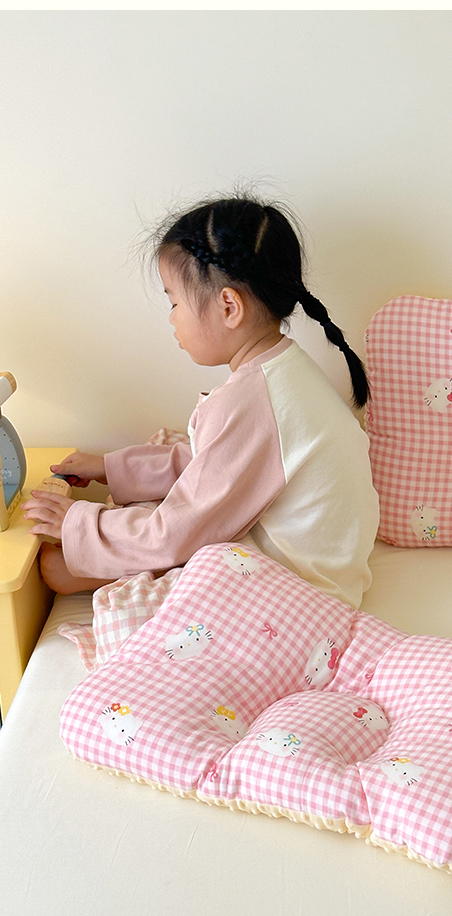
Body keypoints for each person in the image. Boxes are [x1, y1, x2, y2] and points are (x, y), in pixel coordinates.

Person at [22, 195, 380, 608]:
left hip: (300, 592)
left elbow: (180, 529)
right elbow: (213, 465)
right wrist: (110, 467)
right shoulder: (285, 371)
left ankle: (100, 566)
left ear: (229, 306)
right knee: (127, 531)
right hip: (322, 568)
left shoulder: (253, 400)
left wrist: (78, 524)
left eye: (174, 302)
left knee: (83, 575)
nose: (172, 317)